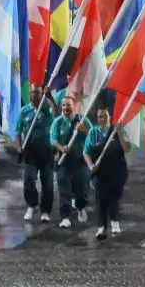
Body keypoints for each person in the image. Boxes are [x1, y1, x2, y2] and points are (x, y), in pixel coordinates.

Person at [83, 106, 130, 240]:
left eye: (104, 116)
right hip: (100, 172)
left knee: (114, 198)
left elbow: (126, 148)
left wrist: (120, 131)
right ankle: (101, 227)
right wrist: (91, 165)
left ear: (110, 117)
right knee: (101, 199)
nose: (102, 119)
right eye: (99, 117)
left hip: (117, 171)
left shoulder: (117, 131)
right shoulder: (93, 132)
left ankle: (115, 222)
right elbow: (86, 152)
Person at [51, 94, 90, 228]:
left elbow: (93, 134)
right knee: (64, 190)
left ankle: (80, 207)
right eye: (63, 105)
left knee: (83, 188)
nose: (65, 107)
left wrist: (83, 129)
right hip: (65, 161)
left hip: (81, 161)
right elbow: (53, 140)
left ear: (74, 106)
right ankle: (65, 217)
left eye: (68, 104)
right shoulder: (57, 122)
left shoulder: (83, 120)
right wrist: (62, 148)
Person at [18, 85, 55, 223]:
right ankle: (32, 205)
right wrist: (19, 146)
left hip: (47, 152)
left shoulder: (48, 109)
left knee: (48, 184)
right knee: (28, 179)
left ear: (42, 94)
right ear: (29, 94)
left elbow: (57, 115)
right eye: (33, 92)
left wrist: (50, 97)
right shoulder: (24, 111)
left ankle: (45, 211)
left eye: (38, 93)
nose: (35, 95)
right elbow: (18, 130)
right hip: (30, 152)